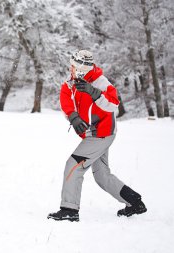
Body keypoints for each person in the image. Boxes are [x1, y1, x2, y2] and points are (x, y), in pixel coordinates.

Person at [47, 50, 147, 222]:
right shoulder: (72, 82)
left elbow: (113, 104)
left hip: (101, 134)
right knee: (102, 176)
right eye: (72, 66)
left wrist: (94, 93)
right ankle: (134, 202)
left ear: (83, 69)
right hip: (92, 135)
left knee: (73, 165)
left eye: (75, 67)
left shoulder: (101, 82)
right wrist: (73, 116)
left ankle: (69, 209)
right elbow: (65, 97)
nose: (72, 70)